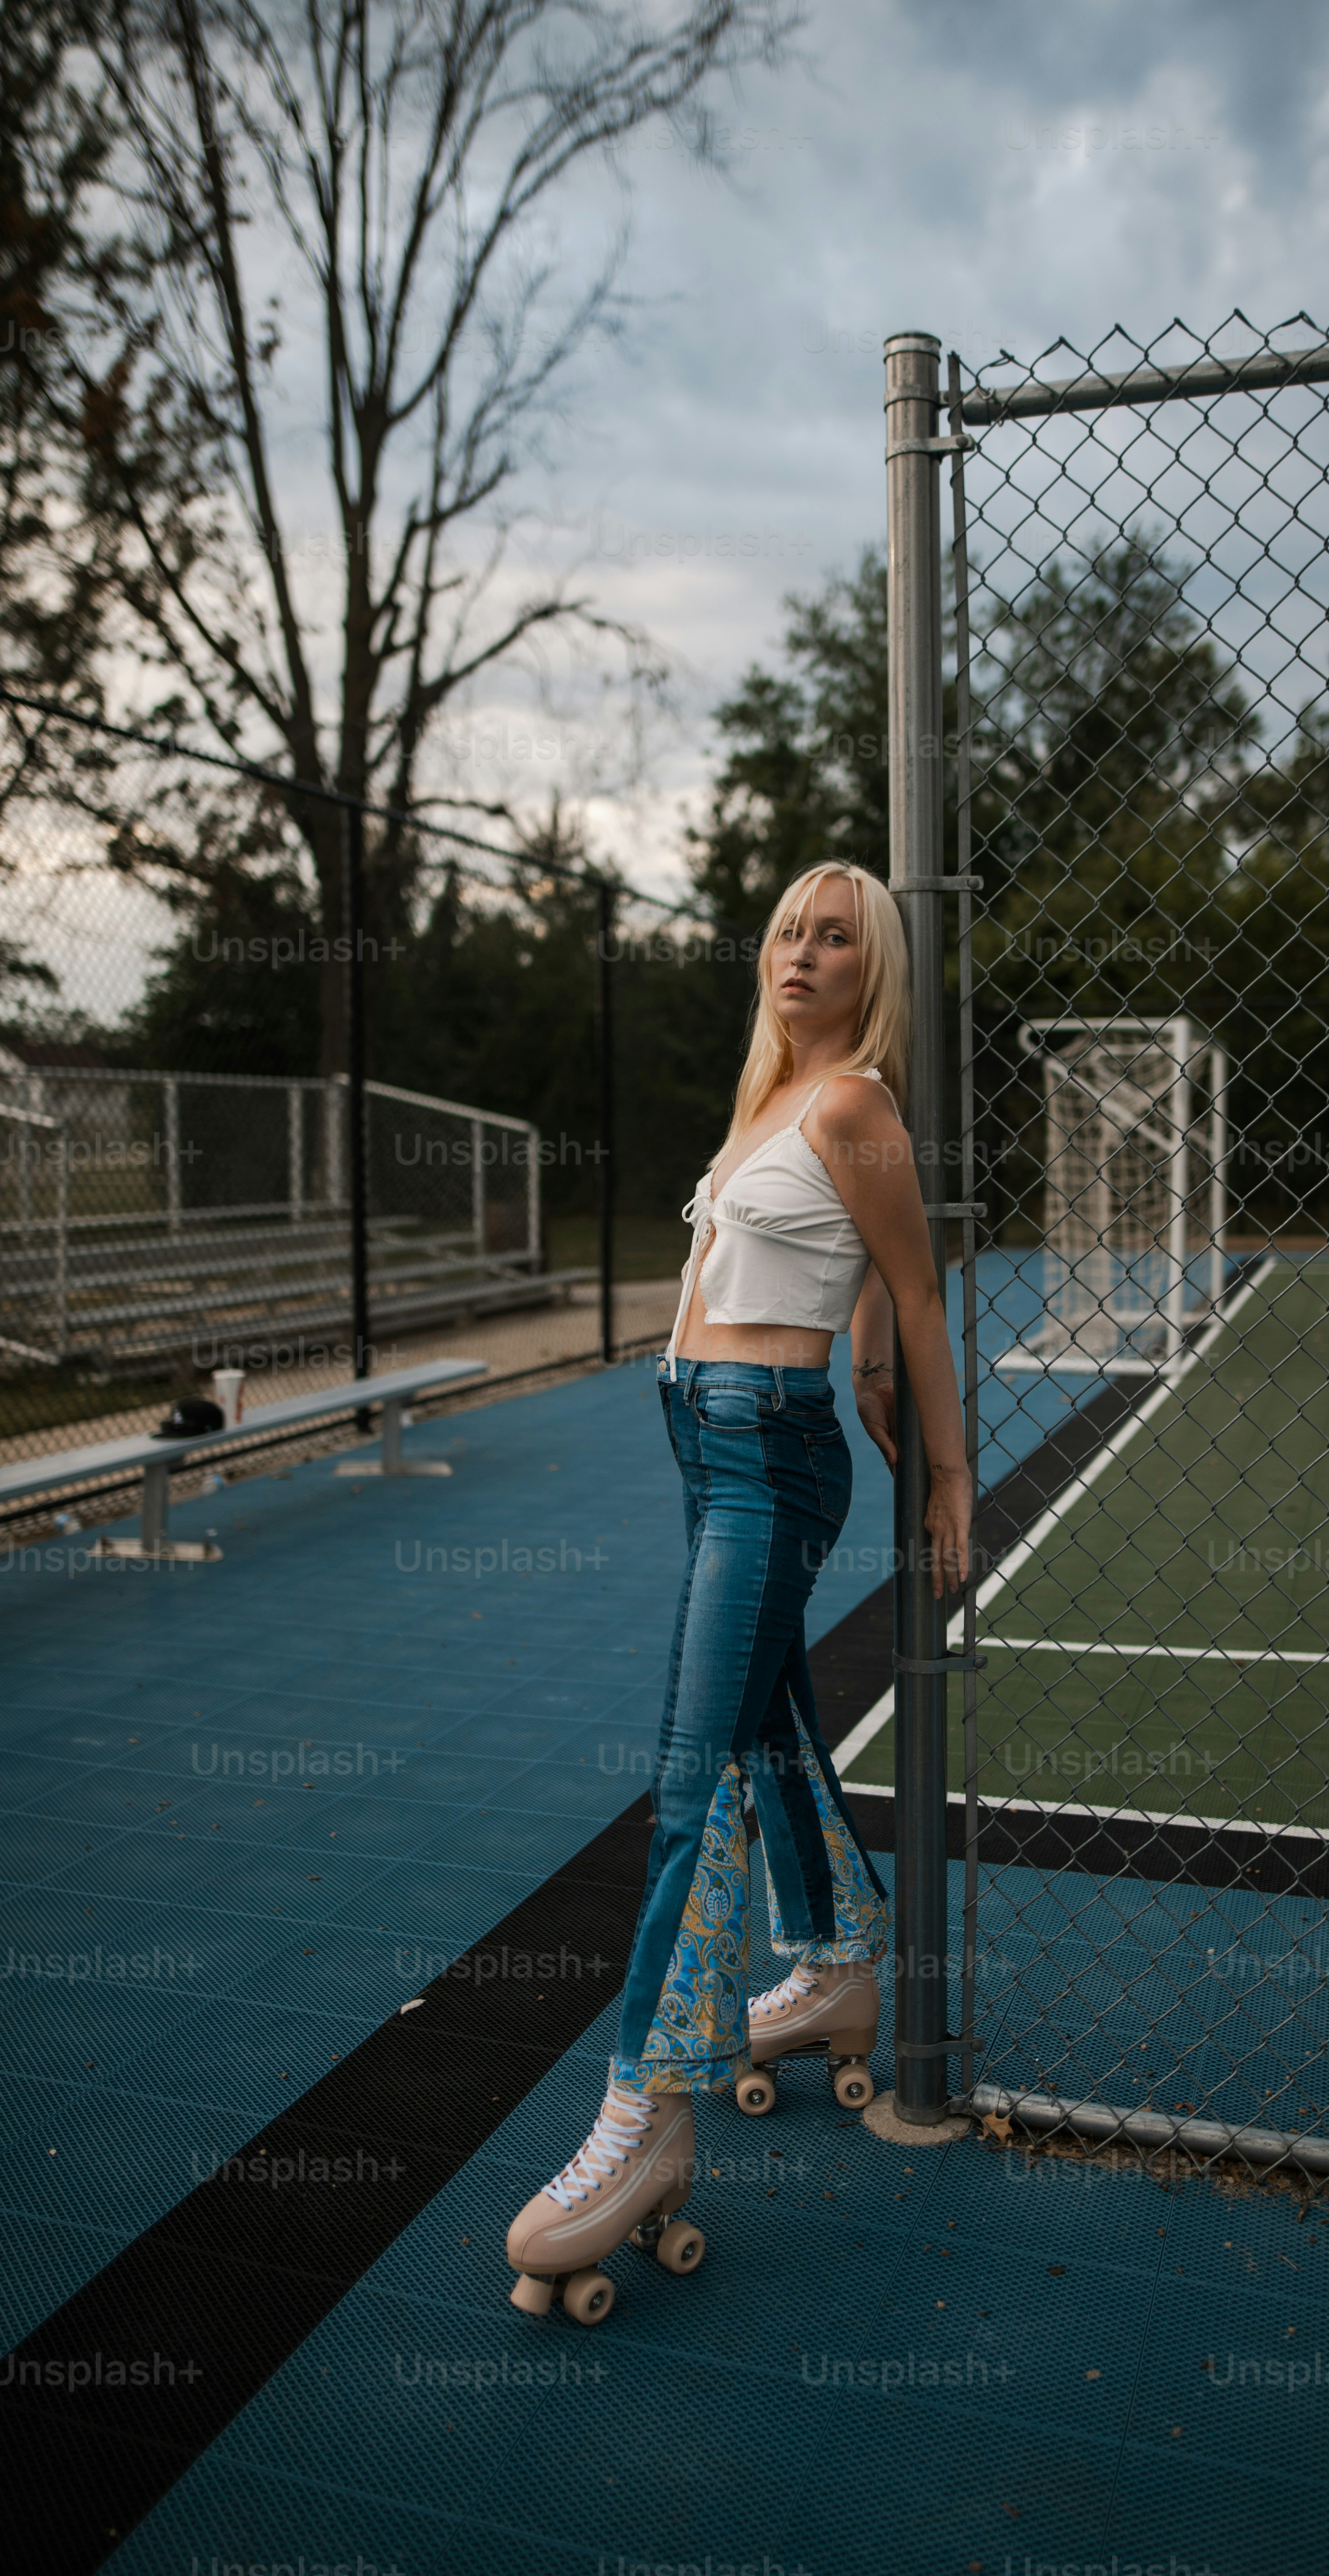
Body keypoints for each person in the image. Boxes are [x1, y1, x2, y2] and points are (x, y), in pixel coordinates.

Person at [506, 859, 973, 2324]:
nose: (802, 952)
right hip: (710, 1453)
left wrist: (950, 1481)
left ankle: (648, 2113)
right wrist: (879, 1355)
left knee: (690, 1779)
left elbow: (916, 1285)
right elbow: (847, 1287)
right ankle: (836, 1957)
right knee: (764, 1726)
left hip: (768, 1462)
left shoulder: (856, 1106)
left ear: (871, 969)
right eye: (786, 931)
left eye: (835, 937)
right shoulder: (775, 1097)